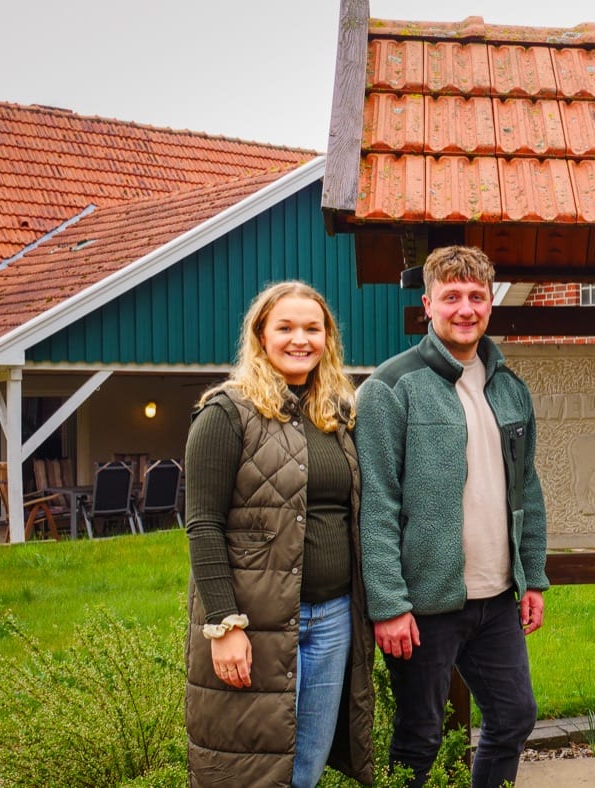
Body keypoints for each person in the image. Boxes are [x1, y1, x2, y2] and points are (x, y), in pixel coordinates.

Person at [356, 245, 549, 788]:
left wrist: (532, 577)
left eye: (476, 297)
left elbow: (526, 490)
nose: (465, 308)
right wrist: (389, 604)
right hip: (424, 606)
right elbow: (376, 504)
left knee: (514, 716)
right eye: (452, 297)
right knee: (419, 738)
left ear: (489, 304)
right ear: (427, 305)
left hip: (496, 600)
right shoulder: (391, 389)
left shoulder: (509, 387)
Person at [183, 281, 374, 787]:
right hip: (255, 622)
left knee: (305, 769)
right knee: (249, 771)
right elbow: (203, 525)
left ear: (327, 338)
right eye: (285, 327)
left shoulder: (336, 415)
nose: (300, 339)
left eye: (313, 328)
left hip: (333, 618)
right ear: (260, 335)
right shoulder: (226, 412)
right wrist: (224, 625)